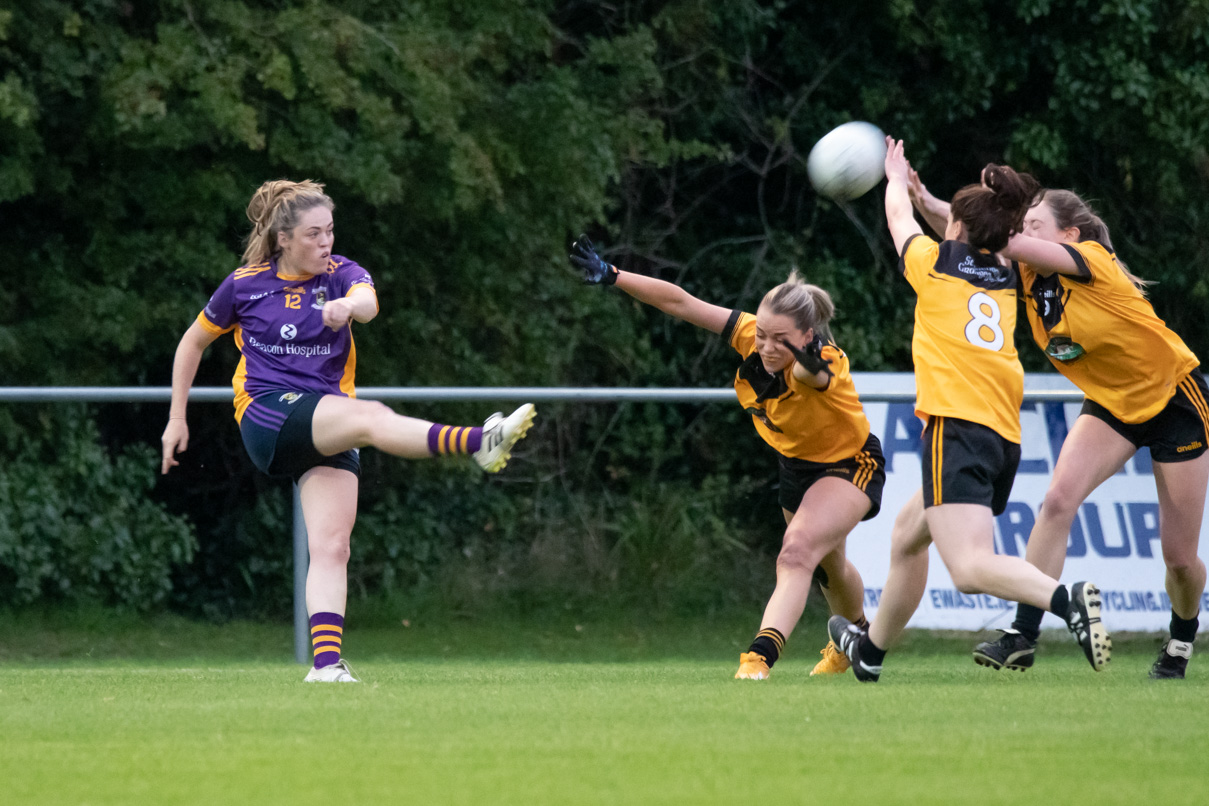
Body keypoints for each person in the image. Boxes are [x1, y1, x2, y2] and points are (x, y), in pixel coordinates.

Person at [161, 179, 536, 683]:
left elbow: (369, 302)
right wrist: (176, 418)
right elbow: (192, 343)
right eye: (313, 234)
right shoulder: (245, 284)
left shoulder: (341, 275)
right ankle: (477, 442)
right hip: (268, 414)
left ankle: (326, 667)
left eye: (330, 232)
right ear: (283, 240)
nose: (325, 243)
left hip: (325, 417)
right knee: (370, 418)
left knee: (333, 546)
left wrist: (347, 308)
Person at [827, 139, 1112, 681]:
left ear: (955, 229)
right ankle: (870, 654)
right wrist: (926, 197)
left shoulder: (932, 266)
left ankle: (1065, 598)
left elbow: (898, 218)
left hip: (955, 428)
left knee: (968, 567)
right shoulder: (1007, 273)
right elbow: (953, 226)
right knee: (908, 536)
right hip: (1002, 434)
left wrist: (893, 179)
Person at [569, 235, 886, 679]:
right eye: (762, 335)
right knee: (828, 569)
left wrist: (805, 360)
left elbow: (810, 374)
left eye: (781, 340)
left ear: (807, 337)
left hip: (850, 465)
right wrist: (614, 276)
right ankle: (856, 640)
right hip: (797, 468)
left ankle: (759, 657)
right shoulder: (752, 338)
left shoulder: (822, 361)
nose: (767, 346)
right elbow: (682, 303)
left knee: (795, 554)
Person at [952, 188, 1206, 680]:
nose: (1022, 234)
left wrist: (993, 216)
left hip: (1175, 399)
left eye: (1033, 225)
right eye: (1020, 227)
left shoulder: (1090, 258)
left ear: (1069, 235)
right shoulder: (1027, 272)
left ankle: (1181, 636)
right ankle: (1023, 635)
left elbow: (994, 234)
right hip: (1113, 403)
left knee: (1178, 558)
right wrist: (916, 194)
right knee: (1057, 501)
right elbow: (966, 233)